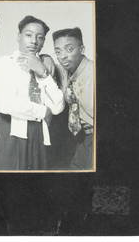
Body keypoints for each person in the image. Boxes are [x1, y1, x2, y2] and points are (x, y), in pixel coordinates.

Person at [0, 15, 64, 170]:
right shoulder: (4, 63)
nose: (34, 41)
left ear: (43, 42)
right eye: (28, 35)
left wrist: (43, 73)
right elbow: (6, 104)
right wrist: (43, 111)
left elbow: (58, 107)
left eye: (40, 37)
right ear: (19, 37)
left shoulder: (45, 67)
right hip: (11, 133)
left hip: (40, 136)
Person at [53, 27, 94, 170]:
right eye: (58, 51)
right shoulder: (66, 70)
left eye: (69, 49)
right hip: (81, 138)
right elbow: (50, 64)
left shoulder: (93, 73)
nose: (63, 56)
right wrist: (45, 59)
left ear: (82, 49)